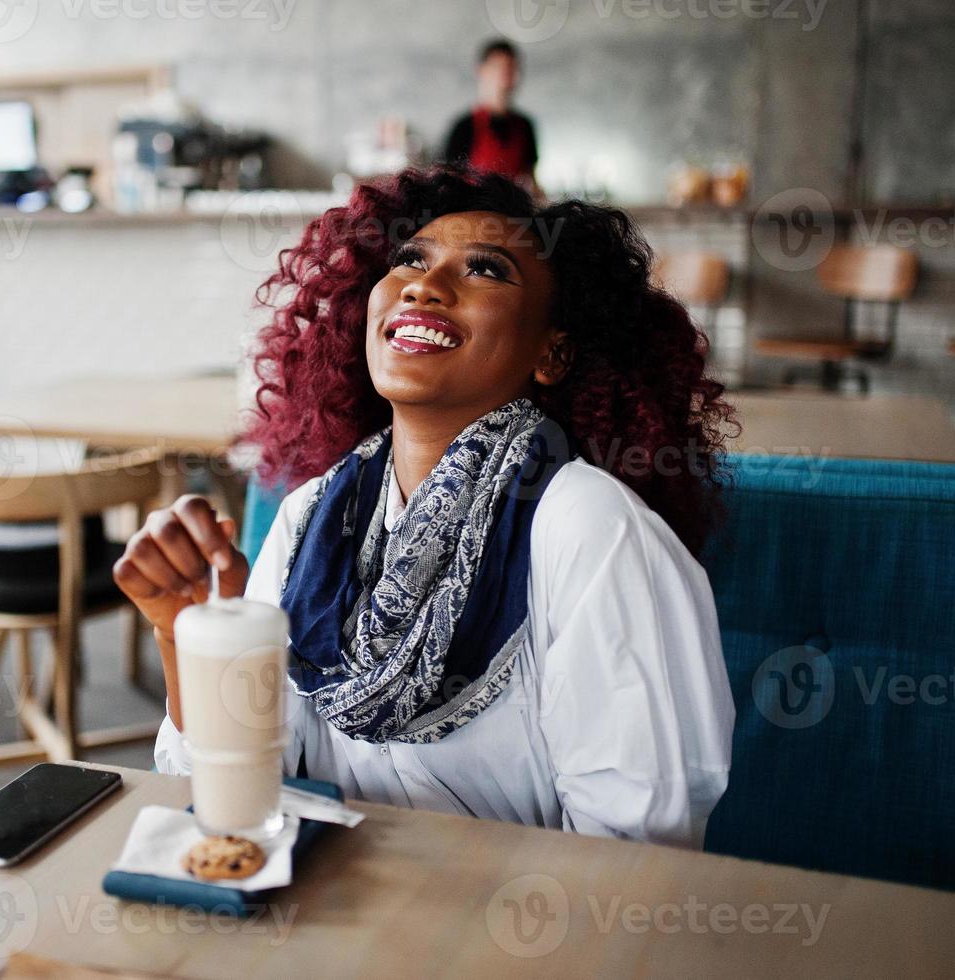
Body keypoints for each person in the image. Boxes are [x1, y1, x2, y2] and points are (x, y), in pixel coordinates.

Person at [114, 166, 737, 848]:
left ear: (551, 352)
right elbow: (233, 793)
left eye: (486, 271)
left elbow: (634, 853)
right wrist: (187, 637)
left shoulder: (589, 531)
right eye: (409, 259)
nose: (423, 284)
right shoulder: (309, 518)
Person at [442, 39, 539, 191]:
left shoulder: (525, 126)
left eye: (511, 68)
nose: (505, 74)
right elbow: (448, 183)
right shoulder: (464, 127)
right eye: (498, 67)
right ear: (481, 71)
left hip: (514, 211)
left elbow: (532, 181)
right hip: (474, 212)